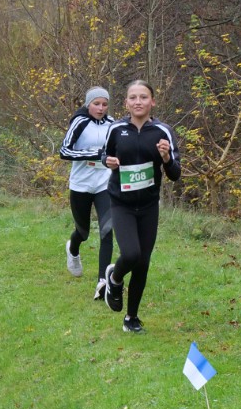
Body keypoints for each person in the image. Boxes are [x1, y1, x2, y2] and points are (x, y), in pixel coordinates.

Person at [101, 79, 181, 334]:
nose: (138, 102)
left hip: (148, 205)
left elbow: (175, 174)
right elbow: (104, 155)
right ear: (126, 102)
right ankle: (114, 278)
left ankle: (131, 318)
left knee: (143, 263)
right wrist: (108, 162)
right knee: (131, 255)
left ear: (152, 102)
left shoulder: (163, 132)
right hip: (121, 203)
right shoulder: (116, 129)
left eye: (143, 97)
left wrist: (166, 158)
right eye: (133, 97)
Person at [60, 86, 116, 301]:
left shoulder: (112, 124)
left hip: (104, 183)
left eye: (104, 104)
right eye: (96, 104)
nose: (101, 108)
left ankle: (103, 282)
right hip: (81, 184)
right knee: (82, 232)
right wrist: (94, 154)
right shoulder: (80, 122)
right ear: (88, 104)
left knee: (107, 230)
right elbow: (64, 151)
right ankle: (73, 249)